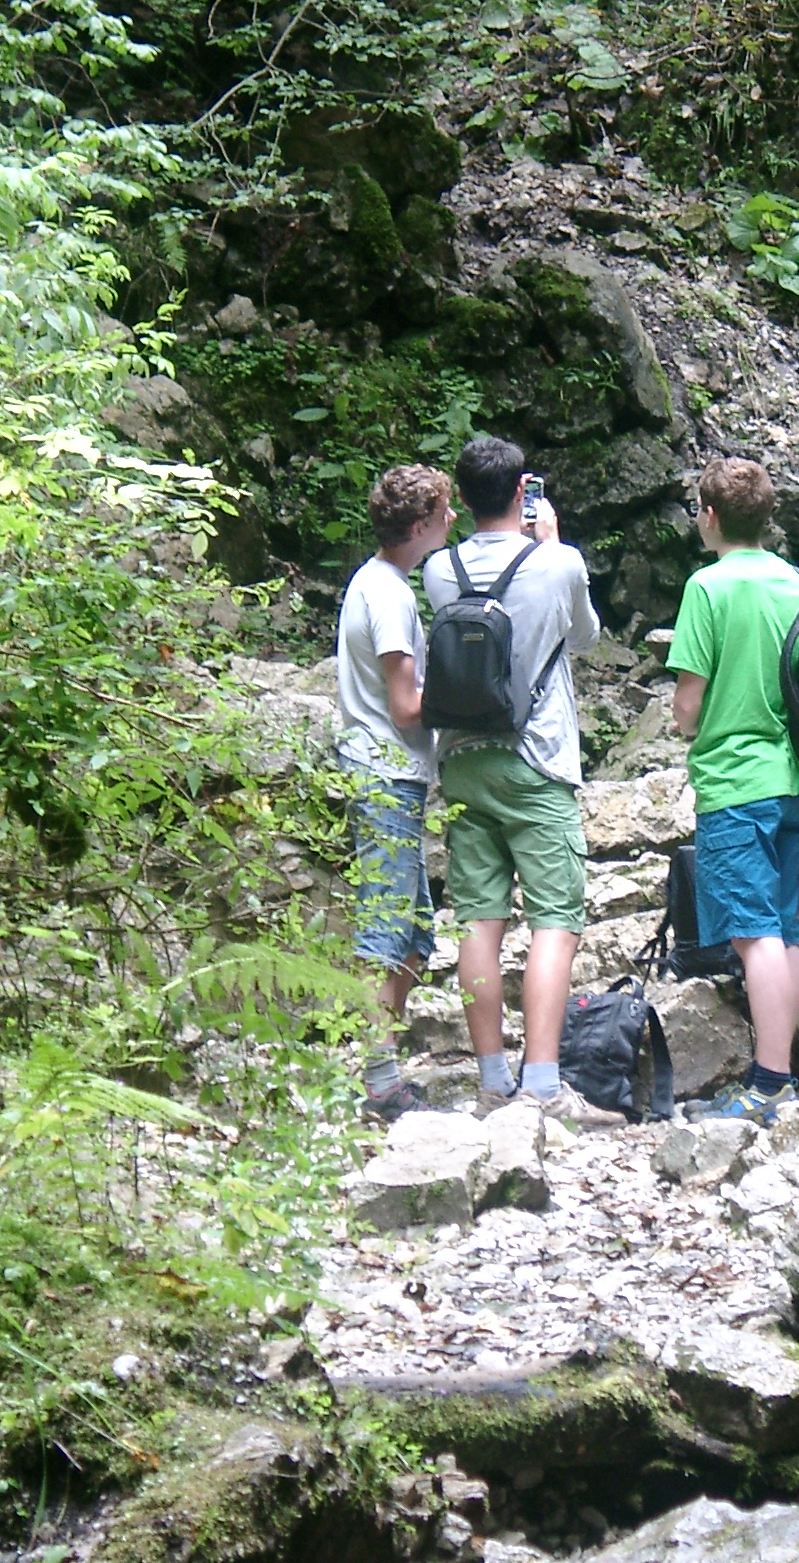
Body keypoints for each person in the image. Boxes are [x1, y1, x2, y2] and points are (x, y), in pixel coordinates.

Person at [422, 437, 624, 1127]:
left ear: (463, 497)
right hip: (537, 758)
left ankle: (490, 1079)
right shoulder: (558, 562)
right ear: (521, 493)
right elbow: (586, 636)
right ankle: (541, 1084)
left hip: (461, 758)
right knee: (554, 922)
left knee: (479, 919)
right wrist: (553, 542)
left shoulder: (439, 568)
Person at [668, 457, 799, 1123]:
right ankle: (783, 1075)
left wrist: (685, 720)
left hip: (734, 780)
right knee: (785, 930)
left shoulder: (707, 586)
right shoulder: (795, 581)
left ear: (711, 516)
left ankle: (769, 1083)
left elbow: (687, 707)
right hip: (792, 778)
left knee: (753, 935)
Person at [336, 463, 455, 1120]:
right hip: (385, 773)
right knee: (385, 927)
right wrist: (469, 692)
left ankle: (382, 1067)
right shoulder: (390, 597)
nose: (452, 521)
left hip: (389, 771)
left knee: (413, 933)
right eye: (442, 514)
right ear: (418, 527)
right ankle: (378, 1080)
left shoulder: (379, 581)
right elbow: (406, 706)